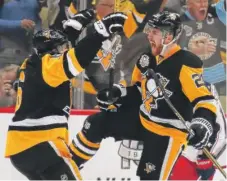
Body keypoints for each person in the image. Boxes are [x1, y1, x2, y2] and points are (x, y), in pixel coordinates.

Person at [69, 11, 218, 180]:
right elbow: (139, 90)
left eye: (154, 32)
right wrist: (117, 94)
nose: (148, 35)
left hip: (168, 131)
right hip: (142, 120)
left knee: (149, 177)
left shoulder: (186, 63)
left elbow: (205, 100)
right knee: (95, 123)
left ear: (168, 37)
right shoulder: (146, 59)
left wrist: (202, 123)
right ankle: (67, 169)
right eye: (149, 30)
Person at [4, 9, 127, 180]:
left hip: (26, 149)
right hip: (38, 144)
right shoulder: (46, 66)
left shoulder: (35, 63)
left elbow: (62, 52)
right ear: (51, 51)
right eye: (61, 47)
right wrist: (100, 32)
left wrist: (72, 30)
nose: (65, 49)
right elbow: (74, 60)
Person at [170, 81, 226, 180]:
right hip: (177, 151)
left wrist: (205, 160)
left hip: (204, 155)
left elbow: (219, 127)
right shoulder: (167, 85)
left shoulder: (204, 88)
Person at [178, 0, 226, 107]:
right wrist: (193, 52)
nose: (203, 4)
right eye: (199, 1)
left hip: (220, 81)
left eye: (205, 1)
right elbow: (171, 56)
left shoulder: (216, 13)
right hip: (193, 83)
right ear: (188, 3)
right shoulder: (178, 22)